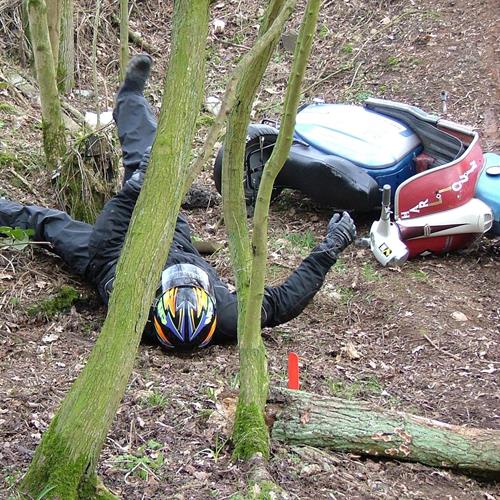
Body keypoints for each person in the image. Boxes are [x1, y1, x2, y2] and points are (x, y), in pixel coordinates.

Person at [0, 55, 356, 351]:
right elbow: (282, 302)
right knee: (151, 160)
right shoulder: (230, 316)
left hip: (111, 255)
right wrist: (329, 249)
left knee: (48, 222)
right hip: (176, 240)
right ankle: (130, 99)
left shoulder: (128, 303)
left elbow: (106, 240)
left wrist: (133, 191)